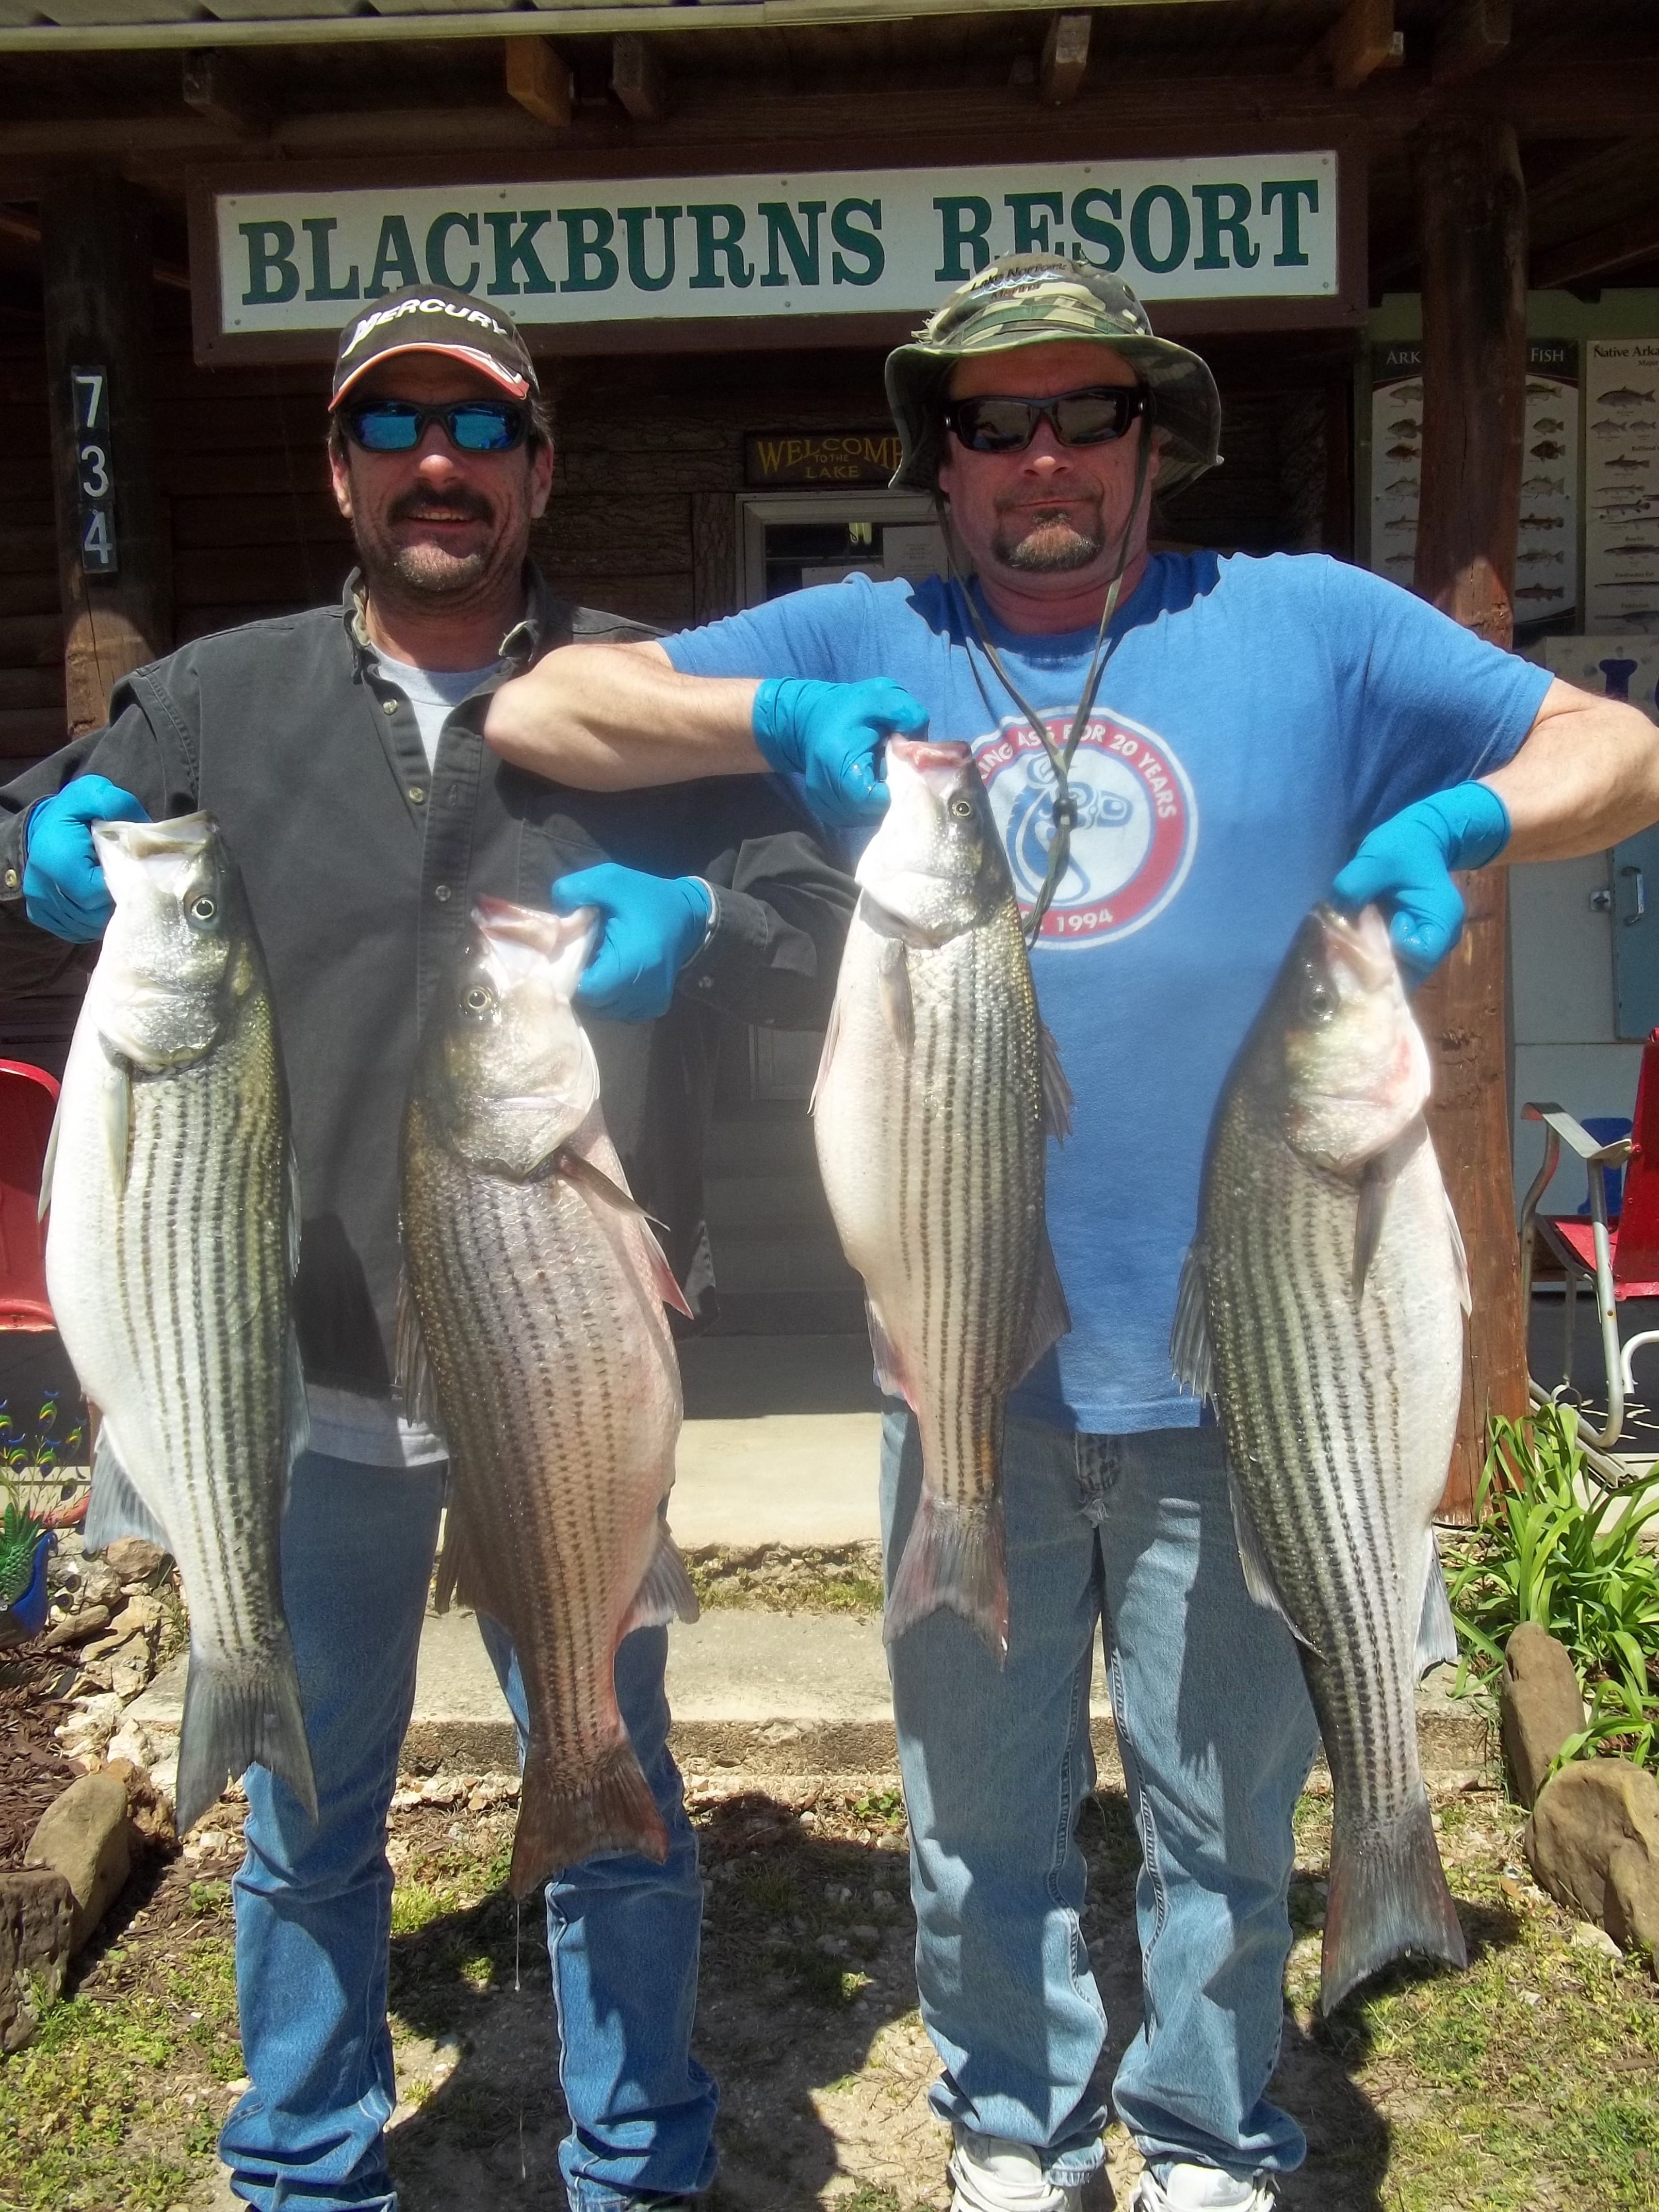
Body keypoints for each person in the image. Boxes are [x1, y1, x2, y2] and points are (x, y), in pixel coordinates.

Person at [481, 255, 1659, 2212]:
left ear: (1151, 442)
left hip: (1254, 1386)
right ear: (940, 462)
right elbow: (549, 705)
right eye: (993, 422)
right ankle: (1011, 2133)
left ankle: (1204, 2136)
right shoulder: (873, 625)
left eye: (1084, 415)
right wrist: (774, 706)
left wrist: (1470, 827)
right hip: (970, 1374)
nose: (1044, 458)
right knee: (976, 1816)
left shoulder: (1307, 623)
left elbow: (1613, 753)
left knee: (1223, 1815)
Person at [1, 283, 854, 2212]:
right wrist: (32, 847)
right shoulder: (222, 695)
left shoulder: (653, 689)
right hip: (302, 1377)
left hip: (564, 1373)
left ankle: (637, 2160)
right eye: (395, 430)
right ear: (339, 470)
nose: (438, 468)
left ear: (541, 468)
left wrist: (708, 934)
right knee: (312, 1806)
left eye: (477, 431)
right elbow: (58, 824)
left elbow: (819, 895)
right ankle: (303, 2162)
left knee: (613, 1783)